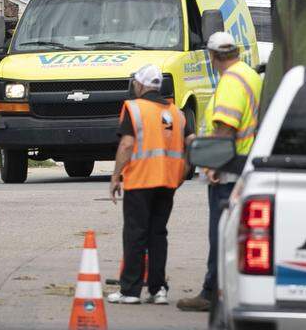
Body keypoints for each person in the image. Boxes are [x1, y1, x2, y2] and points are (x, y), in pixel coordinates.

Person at [177, 31, 262, 313]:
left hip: (228, 168)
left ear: (213, 57)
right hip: (243, 164)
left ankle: (211, 292)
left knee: (220, 233)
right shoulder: (248, 74)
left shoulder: (231, 81)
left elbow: (225, 125)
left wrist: (212, 163)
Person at [107, 64, 190, 306]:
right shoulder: (177, 113)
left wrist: (115, 176)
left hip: (141, 180)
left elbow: (126, 145)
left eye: (135, 82)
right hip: (167, 183)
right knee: (158, 233)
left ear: (141, 85)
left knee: (135, 234)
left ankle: (130, 291)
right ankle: (158, 289)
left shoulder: (134, 109)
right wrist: (181, 175)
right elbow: (191, 144)